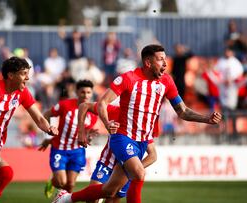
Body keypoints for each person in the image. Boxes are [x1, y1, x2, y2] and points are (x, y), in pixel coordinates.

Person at [53, 44, 222, 203]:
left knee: (109, 191)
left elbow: (182, 111)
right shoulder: (129, 78)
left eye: (165, 59)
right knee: (139, 174)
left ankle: (66, 199)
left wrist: (206, 118)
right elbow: (103, 102)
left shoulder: (167, 82)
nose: (165, 63)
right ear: (148, 62)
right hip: (123, 138)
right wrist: (107, 122)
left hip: (142, 142)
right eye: (160, 59)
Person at [0, 56, 58, 203]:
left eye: (28, 73)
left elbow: (39, 119)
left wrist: (49, 128)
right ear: (11, 75)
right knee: (6, 173)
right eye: (23, 74)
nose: (27, 78)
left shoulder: (23, 92)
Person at [77, 100, 157, 203]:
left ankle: (68, 198)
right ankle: (68, 197)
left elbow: (153, 155)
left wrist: (135, 167)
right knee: (92, 199)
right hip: (107, 163)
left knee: (111, 200)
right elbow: (84, 105)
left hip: (124, 171)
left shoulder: (142, 125)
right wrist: (81, 131)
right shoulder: (114, 110)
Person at [39, 80, 98, 198]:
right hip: (59, 149)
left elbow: (85, 137)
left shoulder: (93, 113)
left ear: (91, 93)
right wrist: (48, 136)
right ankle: (53, 181)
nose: (85, 95)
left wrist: (89, 138)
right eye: (82, 92)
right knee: (61, 182)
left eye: (88, 92)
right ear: (77, 92)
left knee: (70, 185)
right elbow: (46, 114)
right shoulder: (65, 105)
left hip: (77, 151)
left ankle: (60, 199)